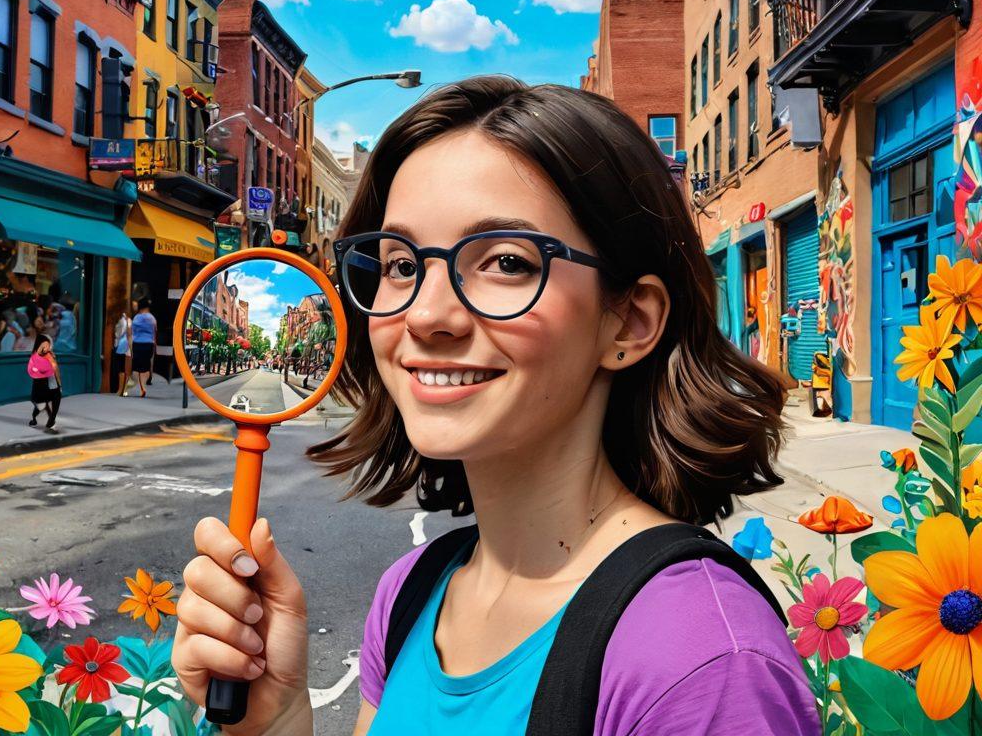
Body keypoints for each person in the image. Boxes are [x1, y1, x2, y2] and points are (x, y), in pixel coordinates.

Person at [172, 77, 818, 735]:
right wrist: (276, 721)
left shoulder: (700, 663)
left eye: (507, 261)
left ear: (629, 322)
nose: (426, 314)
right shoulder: (411, 594)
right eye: (399, 264)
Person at [26, 334, 61, 432]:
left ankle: (51, 421)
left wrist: (59, 384)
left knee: (56, 399)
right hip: (42, 386)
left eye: (48, 345)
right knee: (40, 406)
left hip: (53, 383)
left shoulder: (51, 355)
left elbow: (56, 370)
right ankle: (34, 418)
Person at [130, 299, 156, 398]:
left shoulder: (136, 318)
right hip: (148, 344)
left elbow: (132, 332)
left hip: (137, 343)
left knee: (136, 367)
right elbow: (154, 332)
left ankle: (139, 386)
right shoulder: (152, 318)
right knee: (146, 366)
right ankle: (143, 386)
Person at [112, 308, 133, 396]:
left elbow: (127, 333)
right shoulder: (127, 319)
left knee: (121, 369)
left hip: (121, 345)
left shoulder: (122, 320)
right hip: (125, 345)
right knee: (124, 368)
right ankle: (124, 390)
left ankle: (121, 390)